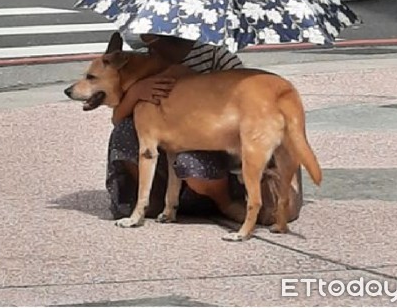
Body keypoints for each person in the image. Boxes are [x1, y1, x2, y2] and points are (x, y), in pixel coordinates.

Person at [105, 33, 303, 226]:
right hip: (165, 144)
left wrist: (196, 82)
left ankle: (225, 203)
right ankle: (155, 198)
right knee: (124, 132)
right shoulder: (143, 61)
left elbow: (247, 93)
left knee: (189, 162)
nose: (147, 40)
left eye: (151, 35)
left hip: (213, 146)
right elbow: (118, 118)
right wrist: (136, 92)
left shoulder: (216, 56)